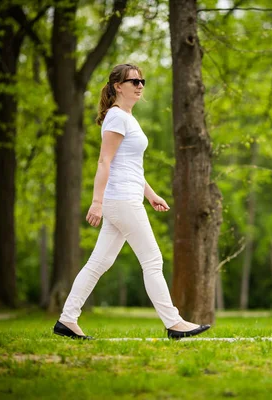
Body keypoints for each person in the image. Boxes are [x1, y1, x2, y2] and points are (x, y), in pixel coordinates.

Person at [53, 63, 210, 340]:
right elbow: (105, 161)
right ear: (118, 86)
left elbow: (131, 166)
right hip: (121, 200)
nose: (139, 85)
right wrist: (96, 202)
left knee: (98, 263)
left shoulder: (127, 117)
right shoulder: (116, 117)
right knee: (152, 260)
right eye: (133, 81)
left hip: (126, 196)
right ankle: (174, 323)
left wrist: (151, 195)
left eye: (142, 81)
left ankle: (67, 319)